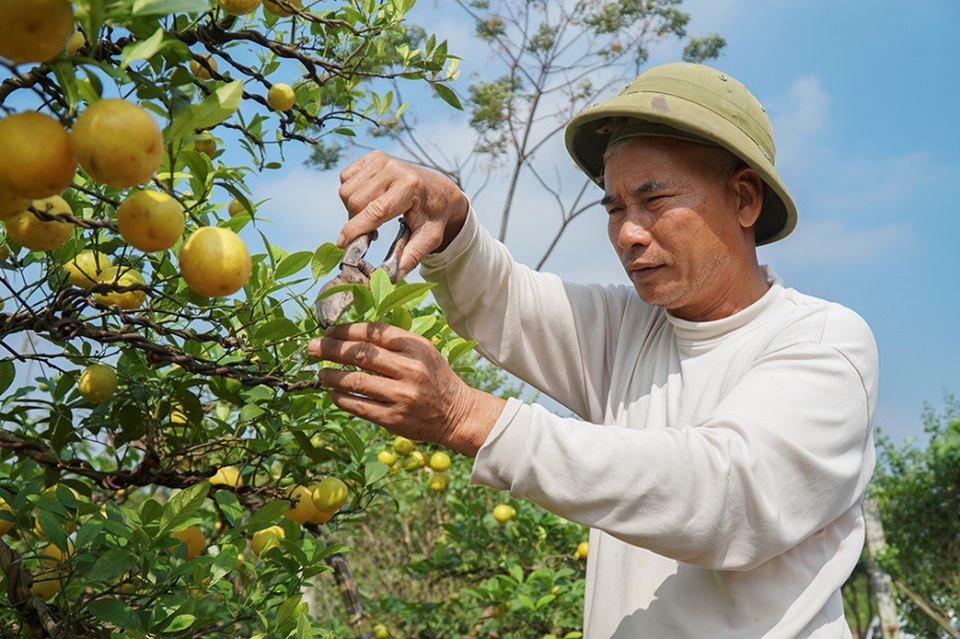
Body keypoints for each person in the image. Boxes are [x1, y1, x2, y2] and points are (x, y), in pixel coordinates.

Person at [307, 62, 879, 638]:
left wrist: (468, 417)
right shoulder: (631, 327)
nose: (628, 233)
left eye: (654, 200)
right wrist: (449, 218)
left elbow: (727, 500)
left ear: (745, 199)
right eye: (614, 208)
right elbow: (503, 300)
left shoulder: (823, 343)